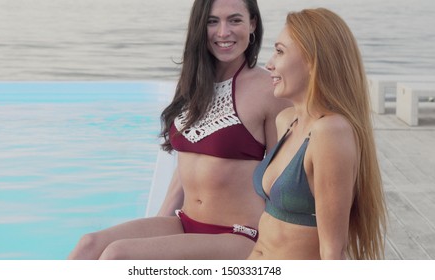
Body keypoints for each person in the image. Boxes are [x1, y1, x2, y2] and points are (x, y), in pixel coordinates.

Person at [68, 0, 290, 260]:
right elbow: (185, 167)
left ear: (252, 24)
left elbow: (283, 178)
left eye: (235, 20)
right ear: (199, 26)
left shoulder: (269, 90)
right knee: (88, 245)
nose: (223, 32)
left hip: (238, 235)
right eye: (212, 21)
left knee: (118, 255)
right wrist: (158, 224)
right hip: (185, 223)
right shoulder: (192, 83)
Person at [247, 8, 387, 260]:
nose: (269, 64)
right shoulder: (287, 120)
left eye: (279, 51)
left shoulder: (330, 132)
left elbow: (333, 249)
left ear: (313, 60)